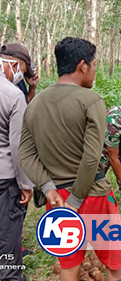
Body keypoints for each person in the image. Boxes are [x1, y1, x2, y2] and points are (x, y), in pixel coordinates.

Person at [18, 37, 121, 281]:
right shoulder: (92, 101)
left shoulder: (35, 105)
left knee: (69, 265)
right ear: (82, 65)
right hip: (94, 196)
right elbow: (91, 158)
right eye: (94, 64)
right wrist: (77, 199)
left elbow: (25, 153)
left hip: (57, 200)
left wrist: (47, 188)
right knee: (114, 264)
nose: (95, 70)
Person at [0, 43, 35, 281]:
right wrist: (26, 184)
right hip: (5, 181)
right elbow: (17, 144)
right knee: (7, 239)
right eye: (22, 69)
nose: (21, 75)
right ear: (12, 64)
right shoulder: (12, 95)